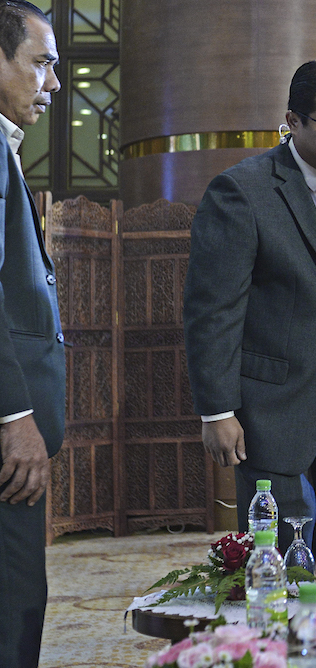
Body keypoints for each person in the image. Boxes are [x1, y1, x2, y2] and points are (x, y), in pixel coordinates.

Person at [183, 57, 316, 582]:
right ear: (293, 122)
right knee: (280, 568)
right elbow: (213, 310)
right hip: (269, 412)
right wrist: (216, 411)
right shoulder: (243, 191)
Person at [0, 2, 63, 665]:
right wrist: (14, 414)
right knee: (14, 610)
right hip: (6, 441)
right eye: (41, 63)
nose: (52, 85)